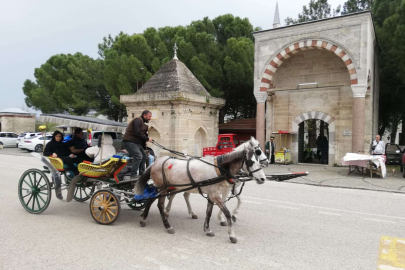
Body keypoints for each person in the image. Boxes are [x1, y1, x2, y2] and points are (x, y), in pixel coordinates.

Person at [123, 110, 153, 179]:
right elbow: (137, 133)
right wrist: (147, 138)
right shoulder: (138, 120)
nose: (150, 118)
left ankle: (142, 173)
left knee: (144, 156)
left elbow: (140, 136)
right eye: (149, 116)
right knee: (138, 156)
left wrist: (146, 142)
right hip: (129, 141)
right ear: (144, 115)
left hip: (135, 142)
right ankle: (133, 175)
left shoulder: (142, 122)